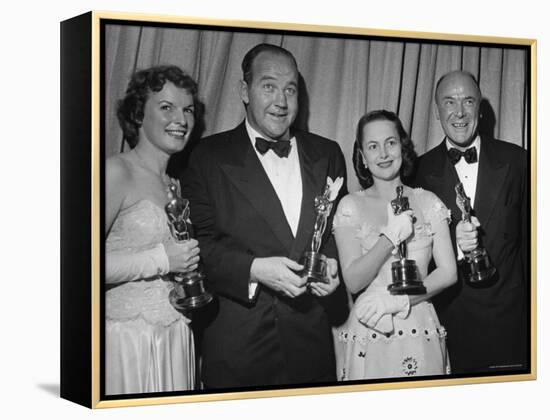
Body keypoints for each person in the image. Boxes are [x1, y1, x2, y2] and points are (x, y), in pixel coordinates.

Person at [182, 43, 347, 389]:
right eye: (268, 86)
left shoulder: (328, 153)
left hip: (311, 346)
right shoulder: (206, 157)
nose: (281, 101)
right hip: (240, 348)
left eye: (290, 89)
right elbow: (197, 247)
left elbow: (333, 231)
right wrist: (255, 269)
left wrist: (332, 265)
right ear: (244, 90)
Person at [414, 70, 528, 374]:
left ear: (480, 108)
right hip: (448, 321)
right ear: (437, 112)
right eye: (449, 102)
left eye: (468, 101)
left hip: (511, 322)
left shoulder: (519, 161)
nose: (460, 112)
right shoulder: (418, 172)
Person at [333, 110, 457, 380]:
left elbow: (448, 272)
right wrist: (389, 237)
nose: (384, 154)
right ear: (363, 158)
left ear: (402, 146)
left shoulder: (428, 202)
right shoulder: (350, 206)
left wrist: (399, 301)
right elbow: (353, 281)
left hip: (419, 325)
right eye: (373, 147)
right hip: (370, 328)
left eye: (390, 143)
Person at [105, 65, 201, 394]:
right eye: (166, 107)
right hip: (127, 340)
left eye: (187, 109)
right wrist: (162, 260)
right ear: (137, 115)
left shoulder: (174, 185)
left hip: (175, 336)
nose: (182, 119)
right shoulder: (116, 171)